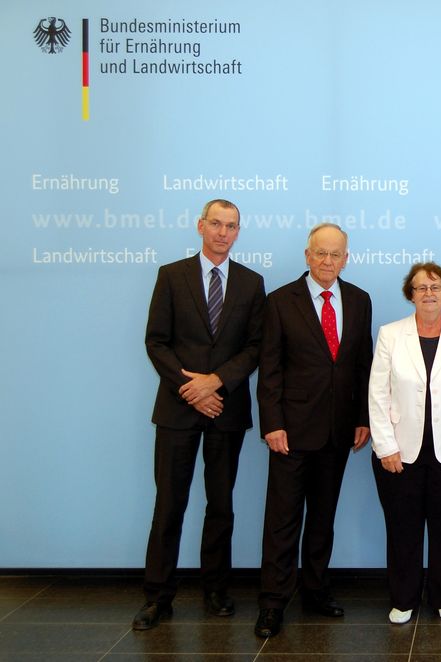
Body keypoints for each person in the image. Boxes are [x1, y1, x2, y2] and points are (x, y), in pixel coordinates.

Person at [135, 199, 265, 630]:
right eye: (216, 224)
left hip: (226, 410)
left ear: (238, 232)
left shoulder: (251, 282)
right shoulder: (171, 276)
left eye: (231, 226)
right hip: (178, 410)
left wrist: (216, 382)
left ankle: (216, 590)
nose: (222, 233)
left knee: (221, 505)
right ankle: (157, 597)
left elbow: (255, 347)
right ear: (200, 226)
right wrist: (191, 390)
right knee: (169, 505)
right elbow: (156, 342)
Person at [254, 223, 373, 638]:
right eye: (320, 253)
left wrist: (363, 417)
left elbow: (362, 365)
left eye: (335, 254)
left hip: (338, 432)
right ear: (307, 256)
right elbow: (269, 369)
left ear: (346, 259)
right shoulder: (279, 301)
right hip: (290, 432)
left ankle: (316, 591)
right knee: (282, 521)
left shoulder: (359, 300)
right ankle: (272, 602)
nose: (327, 261)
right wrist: (272, 424)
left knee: (323, 519)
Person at [368, 262, 441, 624]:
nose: (429, 293)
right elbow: (377, 393)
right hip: (400, 452)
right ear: (411, 294)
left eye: (436, 287)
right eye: (421, 288)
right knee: (402, 527)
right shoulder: (390, 334)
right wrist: (385, 446)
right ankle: (403, 598)